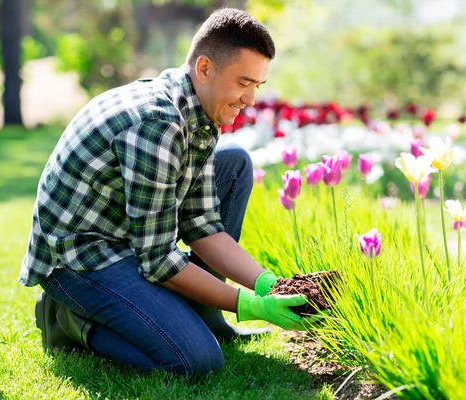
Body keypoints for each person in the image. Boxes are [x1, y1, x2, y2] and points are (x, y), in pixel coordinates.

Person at [19, 8, 322, 378]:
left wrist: (267, 284)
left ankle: (205, 317)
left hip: (126, 237)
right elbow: (159, 260)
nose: (250, 99)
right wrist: (250, 304)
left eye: (257, 85)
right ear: (205, 68)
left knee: (234, 165)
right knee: (196, 361)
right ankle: (67, 320)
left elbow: (202, 224)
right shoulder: (157, 123)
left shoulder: (202, 110)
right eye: (244, 82)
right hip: (80, 257)